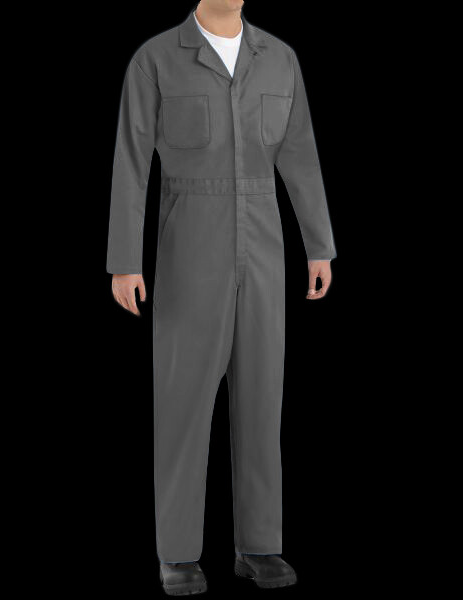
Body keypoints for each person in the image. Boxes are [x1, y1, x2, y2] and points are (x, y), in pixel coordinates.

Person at [107, 0, 335, 594]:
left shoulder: (279, 59)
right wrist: (124, 261)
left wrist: (319, 245)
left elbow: (301, 153)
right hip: (190, 246)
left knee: (262, 393)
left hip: (264, 243)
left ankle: (259, 544)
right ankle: (179, 553)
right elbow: (131, 162)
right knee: (182, 399)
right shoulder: (156, 59)